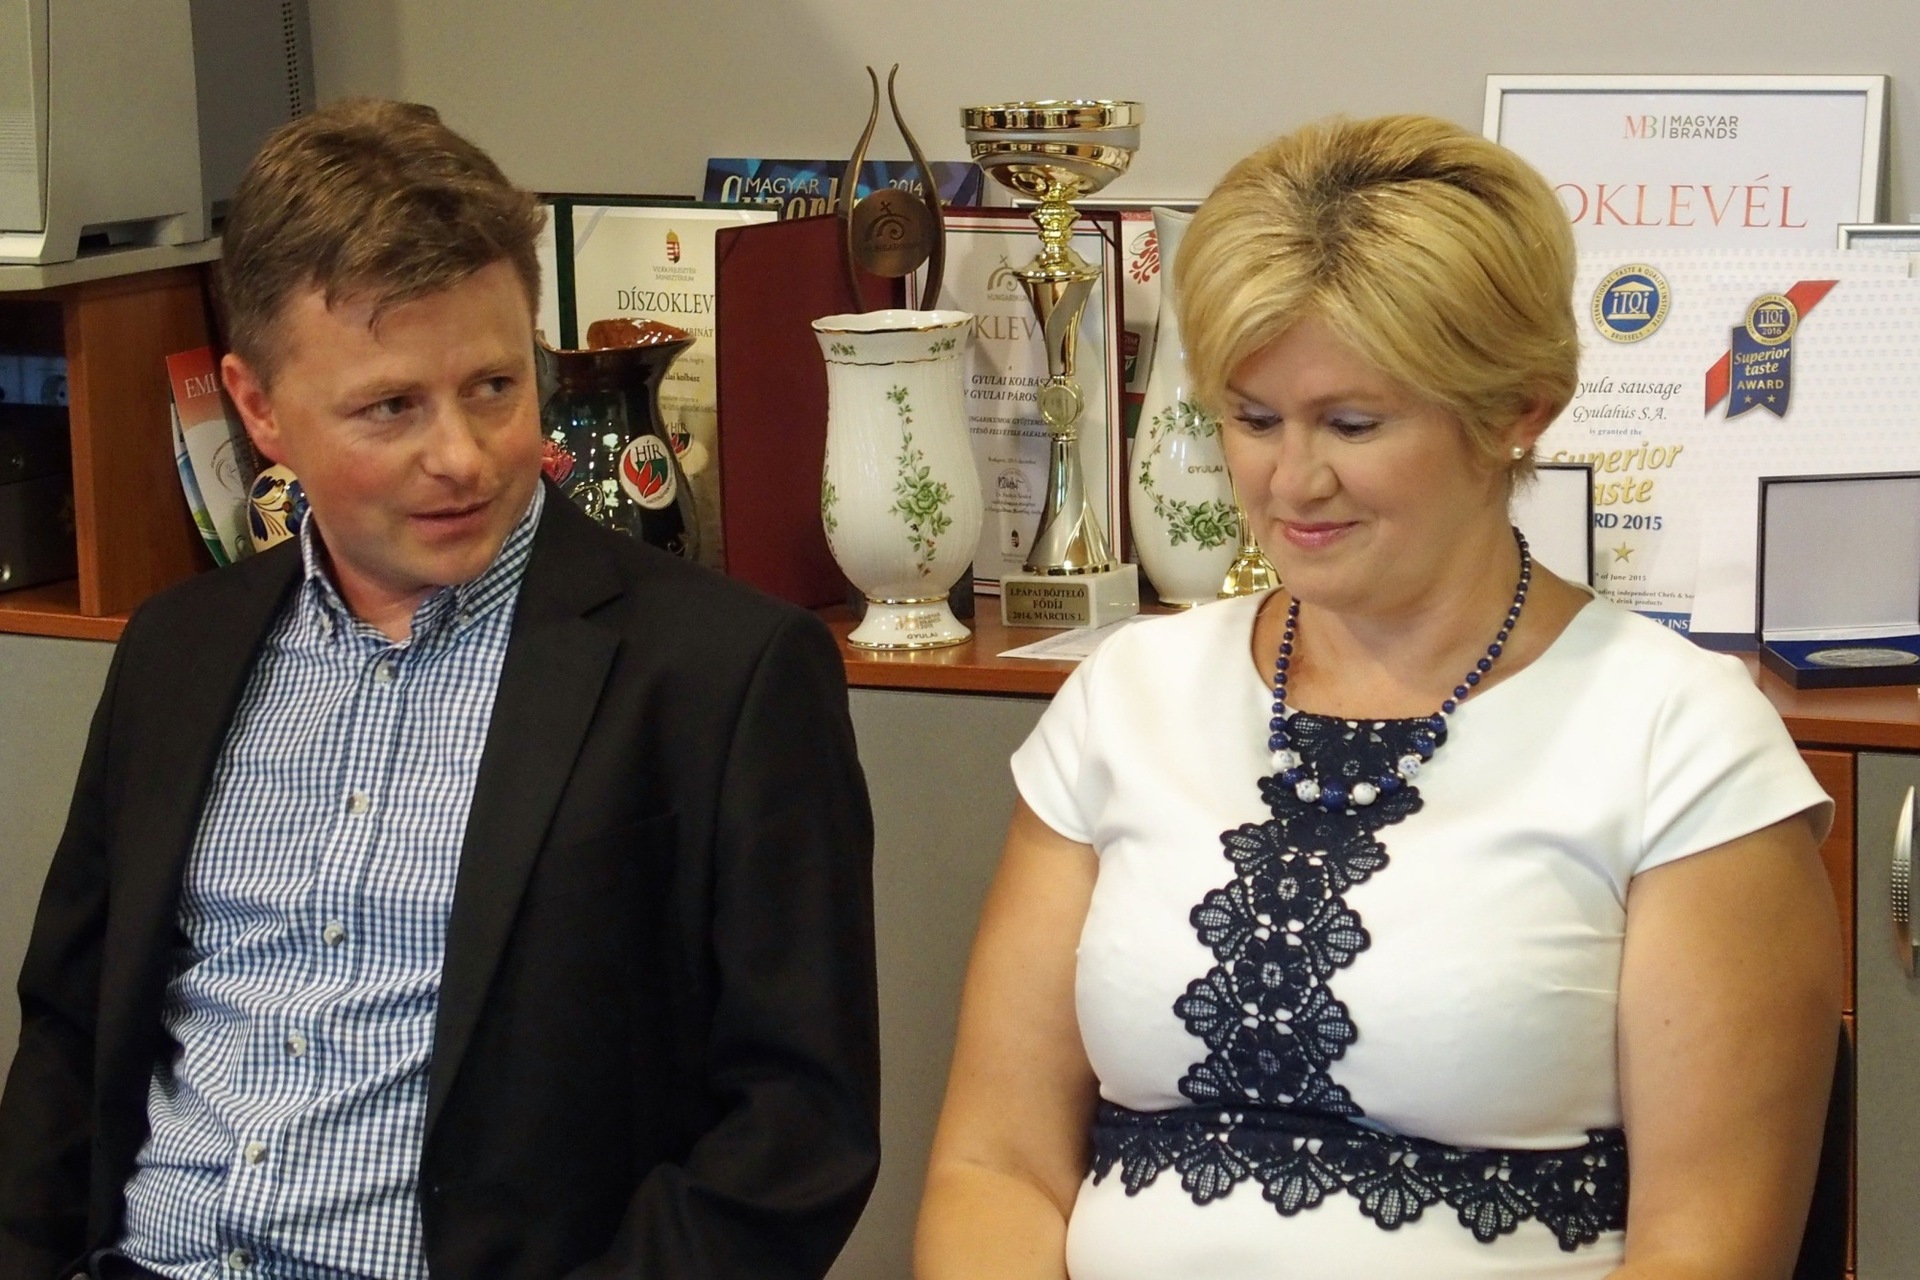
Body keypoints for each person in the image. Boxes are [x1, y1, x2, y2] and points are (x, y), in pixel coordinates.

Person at [915, 114, 1840, 1280]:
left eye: (1352, 424)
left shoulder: (1680, 736)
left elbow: (1705, 1248)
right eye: (1253, 418)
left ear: (1519, 410)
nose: (1293, 479)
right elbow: (996, 1165)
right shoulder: (1125, 698)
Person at [0, 99, 879, 1280]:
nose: (462, 455)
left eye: (495, 386)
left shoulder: (723, 675)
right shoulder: (178, 650)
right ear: (258, 408)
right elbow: (68, 1035)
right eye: (391, 406)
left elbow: (797, 1133)